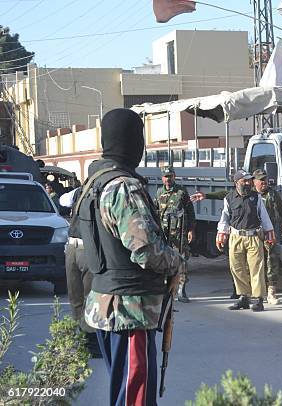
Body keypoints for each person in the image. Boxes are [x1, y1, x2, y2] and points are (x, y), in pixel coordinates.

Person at [76, 108, 183, 406]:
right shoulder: (123, 186)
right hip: (129, 311)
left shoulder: (95, 183)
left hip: (107, 305)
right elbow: (146, 250)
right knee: (134, 398)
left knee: (125, 391)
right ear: (133, 141)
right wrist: (177, 261)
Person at [216, 170, 275, 312]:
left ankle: (258, 299)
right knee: (237, 268)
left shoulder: (256, 197)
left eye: (249, 181)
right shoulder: (229, 198)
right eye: (245, 181)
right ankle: (243, 297)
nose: (248, 183)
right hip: (236, 237)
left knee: (256, 268)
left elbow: (264, 216)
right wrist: (221, 233)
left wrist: (269, 233)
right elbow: (225, 217)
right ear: (237, 182)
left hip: (253, 236)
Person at [60, 186, 102, 359]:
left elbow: (63, 200)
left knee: (88, 296)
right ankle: (83, 336)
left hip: (86, 248)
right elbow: (63, 200)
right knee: (76, 295)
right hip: (73, 246)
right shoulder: (81, 191)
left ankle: (91, 341)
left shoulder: (99, 191)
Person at [155, 166, 196, 303]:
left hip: (179, 234)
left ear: (174, 176)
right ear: (162, 178)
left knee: (182, 261)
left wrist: (191, 229)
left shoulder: (181, 192)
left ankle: (181, 290)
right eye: (166, 176)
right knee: (164, 261)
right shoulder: (159, 192)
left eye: (170, 176)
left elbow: (190, 211)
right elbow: (156, 212)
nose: (168, 179)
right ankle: (167, 289)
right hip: (164, 235)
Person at [252, 169, 282, 305]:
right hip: (254, 235)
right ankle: (256, 292)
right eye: (261, 180)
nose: (264, 183)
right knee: (255, 263)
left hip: (271, 234)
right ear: (254, 181)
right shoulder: (250, 195)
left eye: (265, 180)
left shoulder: (273, 194)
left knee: (272, 262)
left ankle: (271, 292)